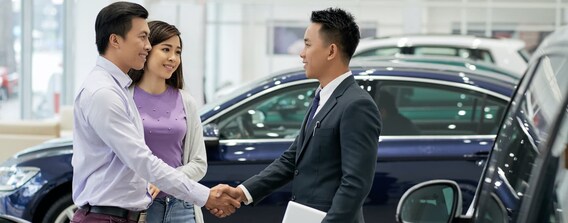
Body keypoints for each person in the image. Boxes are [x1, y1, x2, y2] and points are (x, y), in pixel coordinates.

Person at [71, 2, 239, 222]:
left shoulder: (117, 88)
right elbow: (142, 160)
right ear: (115, 40)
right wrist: (206, 196)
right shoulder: (105, 93)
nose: (148, 46)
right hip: (107, 217)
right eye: (142, 37)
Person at [212, 7, 382, 223]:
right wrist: (244, 192)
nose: (302, 53)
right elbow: (292, 159)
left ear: (331, 51)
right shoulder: (323, 97)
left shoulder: (356, 105)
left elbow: (355, 185)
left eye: (308, 44)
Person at [126, 20, 206, 223]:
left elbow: (199, 164)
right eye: (165, 49)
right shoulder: (124, 98)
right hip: (139, 208)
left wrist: (164, 180)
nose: (173, 58)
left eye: (177, 52)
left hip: (182, 207)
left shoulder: (186, 100)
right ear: (146, 50)